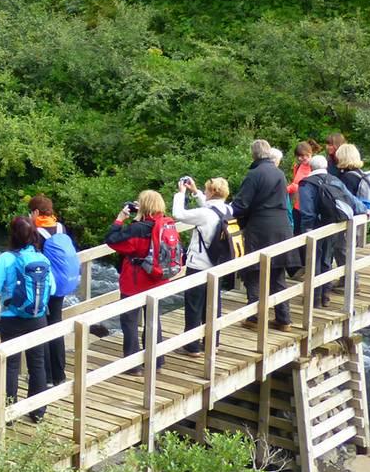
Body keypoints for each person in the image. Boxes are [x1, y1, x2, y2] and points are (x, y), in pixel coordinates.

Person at [0, 216, 55, 417]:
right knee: (38, 363)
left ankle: (8, 412)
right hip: (38, 317)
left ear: (13, 235)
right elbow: (52, 289)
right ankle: (38, 411)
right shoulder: (41, 258)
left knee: (11, 365)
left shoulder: (6, 258)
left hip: (11, 318)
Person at [105, 190, 176, 372]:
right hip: (158, 279)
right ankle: (156, 361)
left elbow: (113, 240)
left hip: (136, 281)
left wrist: (121, 218)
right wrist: (138, 217)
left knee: (129, 321)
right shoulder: (167, 224)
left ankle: (132, 365)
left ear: (143, 206)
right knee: (153, 320)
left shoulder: (137, 229)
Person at [231, 139, 298, 331]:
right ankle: (284, 319)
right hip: (281, 227)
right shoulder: (278, 173)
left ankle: (255, 317)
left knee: (254, 271)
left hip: (261, 228)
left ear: (254, 154)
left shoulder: (254, 174)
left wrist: (225, 212)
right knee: (277, 272)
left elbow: (241, 204)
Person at [298, 154, 370, 307]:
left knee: (314, 260)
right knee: (326, 259)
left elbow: (307, 210)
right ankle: (325, 296)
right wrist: (364, 210)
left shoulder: (306, 183)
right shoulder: (334, 180)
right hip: (333, 224)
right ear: (325, 167)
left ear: (311, 167)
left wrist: (306, 229)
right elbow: (350, 199)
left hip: (316, 226)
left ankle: (314, 298)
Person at [173, 176, 233, 354]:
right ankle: (212, 342)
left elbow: (178, 214)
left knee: (194, 305)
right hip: (219, 263)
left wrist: (181, 193)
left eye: (206, 190)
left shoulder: (204, 214)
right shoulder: (229, 209)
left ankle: (192, 346)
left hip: (199, 265)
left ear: (212, 192)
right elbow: (210, 208)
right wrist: (195, 191)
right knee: (214, 304)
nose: (205, 192)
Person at [28, 195, 81, 385]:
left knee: (43, 327)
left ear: (35, 212)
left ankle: (48, 376)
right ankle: (60, 375)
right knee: (56, 324)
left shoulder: (35, 231)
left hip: (45, 286)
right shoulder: (60, 228)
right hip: (63, 283)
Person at [288, 140, 317, 213]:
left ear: (310, 153)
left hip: (310, 208)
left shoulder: (316, 167)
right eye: (298, 156)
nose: (300, 158)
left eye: (303, 155)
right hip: (297, 207)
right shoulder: (297, 166)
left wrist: (295, 187)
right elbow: (294, 184)